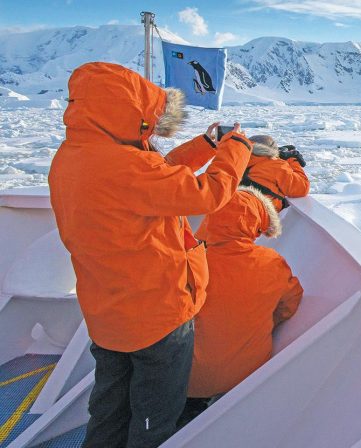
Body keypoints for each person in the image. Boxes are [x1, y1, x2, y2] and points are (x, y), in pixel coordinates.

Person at [48, 61, 252, 447]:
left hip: (108, 312)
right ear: (126, 113)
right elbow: (206, 195)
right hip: (157, 316)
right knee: (153, 416)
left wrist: (205, 146)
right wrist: (236, 150)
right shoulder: (127, 167)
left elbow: (159, 175)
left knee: (109, 408)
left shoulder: (75, 155)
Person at [182, 186, 303, 421]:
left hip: (187, 378)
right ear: (255, 224)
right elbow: (289, 305)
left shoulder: (189, 261)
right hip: (245, 377)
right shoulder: (271, 263)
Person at [241, 134, 310, 211]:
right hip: (259, 214)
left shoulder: (236, 159)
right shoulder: (275, 165)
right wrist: (292, 160)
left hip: (236, 206)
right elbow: (302, 188)